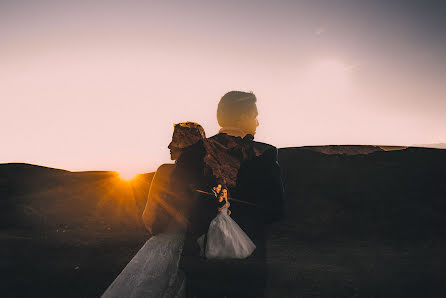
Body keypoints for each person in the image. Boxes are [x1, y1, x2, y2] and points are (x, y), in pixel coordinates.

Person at [175, 91, 284, 297]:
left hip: (200, 260)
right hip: (249, 259)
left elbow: (174, 203)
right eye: (255, 116)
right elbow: (276, 210)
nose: (258, 123)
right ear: (242, 117)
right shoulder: (265, 154)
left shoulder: (190, 153)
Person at [141, 121, 208, 235]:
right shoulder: (212, 173)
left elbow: (148, 216)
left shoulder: (165, 171)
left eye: (175, 140)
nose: (169, 146)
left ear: (186, 145)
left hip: (167, 237)